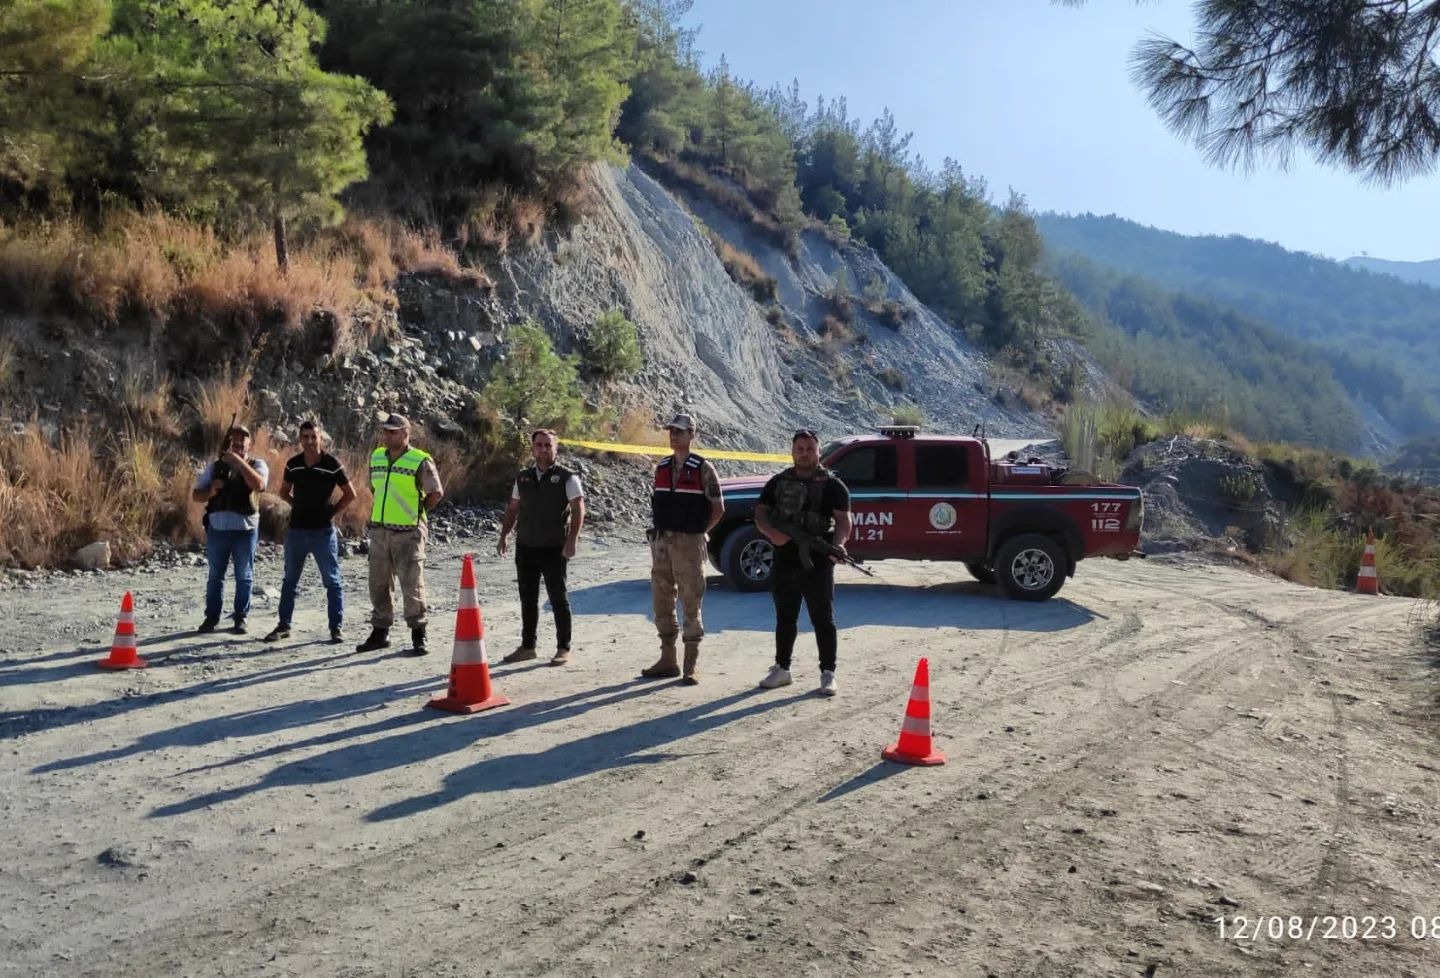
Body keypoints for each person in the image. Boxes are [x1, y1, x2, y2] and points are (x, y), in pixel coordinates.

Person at [754, 428, 852, 697]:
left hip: (818, 561)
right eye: (800, 449)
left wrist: (840, 544)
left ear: (819, 451)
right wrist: (772, 534)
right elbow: (760, 513)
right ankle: (782, 669)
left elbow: (844, 520)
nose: (805, 453)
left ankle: (828, 673)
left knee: (823, 618)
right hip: (784, 559)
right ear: (793, 450)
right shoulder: (777, 482)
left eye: (810, 449)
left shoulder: (833, 485)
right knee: (785, 616)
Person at [641, 413, 725, 685]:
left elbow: (718, 508)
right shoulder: (662, 466)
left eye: (679, 431)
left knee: (691, 599)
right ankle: (668, 659)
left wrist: (700, 532)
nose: (673, 435)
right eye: (671, 431)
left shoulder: (703, 468)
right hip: (663, 541)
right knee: (661, 598)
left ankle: (691, 663)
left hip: (689, 542)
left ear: (691, 434)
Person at [496, 429, 586, 666]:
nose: (543, 449)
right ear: (533, 448)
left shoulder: (568, 478)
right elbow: (513, 508)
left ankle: (563, 647)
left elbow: (578, 509)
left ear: (556, 448)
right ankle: (528, 646)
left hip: (554, 547)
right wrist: (504, 535)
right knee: (528, 598)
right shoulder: (522, 477)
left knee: (558, 598)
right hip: (525, 546)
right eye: (539, 445)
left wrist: (572, 540)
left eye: (548, 445)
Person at [356, 414, 443, 656]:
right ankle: (380, 633)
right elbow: (375, 487)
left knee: (411, 584)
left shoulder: (420, 460)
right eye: (385, 431)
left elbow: (435, 492)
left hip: (409, 532)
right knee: (379, 583)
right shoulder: (376, 457)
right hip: (381, 530)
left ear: (406, 433)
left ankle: (418, 633)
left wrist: (417, 513)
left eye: (393, 432)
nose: (387, 435)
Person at [264, 420, 357, 644]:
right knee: (290, 581)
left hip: (322, 532)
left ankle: (336, 628)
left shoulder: (332, 463)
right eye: (305, 437)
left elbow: (350, 493)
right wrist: (298, 505)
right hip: (296, 531)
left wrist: (331, 511)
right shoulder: (293, 464)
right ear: (300, 439)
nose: (309, 441)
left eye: (313, 437)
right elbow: (284, 491)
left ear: (320, 438)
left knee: (332, 581)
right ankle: (284, 625)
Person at [192, 424, 269, 635]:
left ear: (249, 445)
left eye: (242, 442)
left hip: (246, 531)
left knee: (244, 576)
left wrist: (239, 463)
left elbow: (259, 485)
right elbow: (196, 495)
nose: (237, 445)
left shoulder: (257, 464)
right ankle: (211, 618)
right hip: (218, 530)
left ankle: (240, 618)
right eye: (234, 441)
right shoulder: (215, 467)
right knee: (216, 576)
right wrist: (211, 491)